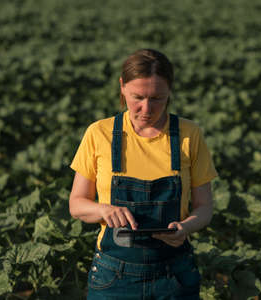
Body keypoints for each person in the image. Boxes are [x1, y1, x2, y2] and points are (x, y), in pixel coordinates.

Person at [69, 49, 218, 299]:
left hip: (174, 275)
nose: (146, 108)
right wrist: (104, 210)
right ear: (122, 87)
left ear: (170, 91)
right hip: (114, 276)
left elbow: (204, 208)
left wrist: (185, 227)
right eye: (138, 97)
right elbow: (76, 204)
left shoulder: (189, 134)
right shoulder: (99, 133)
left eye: (157, 98)